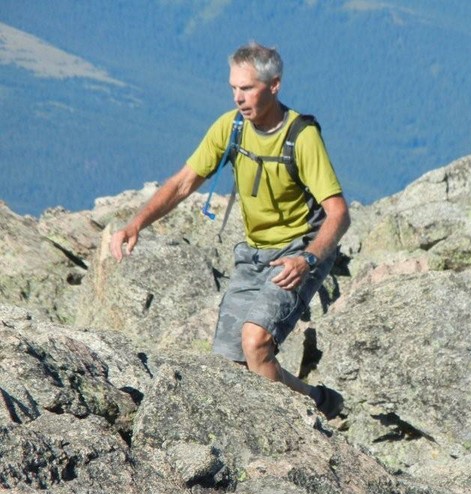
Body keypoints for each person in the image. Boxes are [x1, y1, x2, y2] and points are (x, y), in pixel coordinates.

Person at [110, 42, 350, 419]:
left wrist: (307, 259)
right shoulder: (232, 127)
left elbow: (338, 214)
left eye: (248, 88)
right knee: (229, 366)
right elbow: (184, 182)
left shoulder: (301, 137)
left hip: (298, 252)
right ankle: (317, 400)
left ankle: (287, 429)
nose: (238, 97)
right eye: (233, 88)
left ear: (274, 86)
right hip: (254, 255)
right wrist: (136, 223)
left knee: (255, 341)